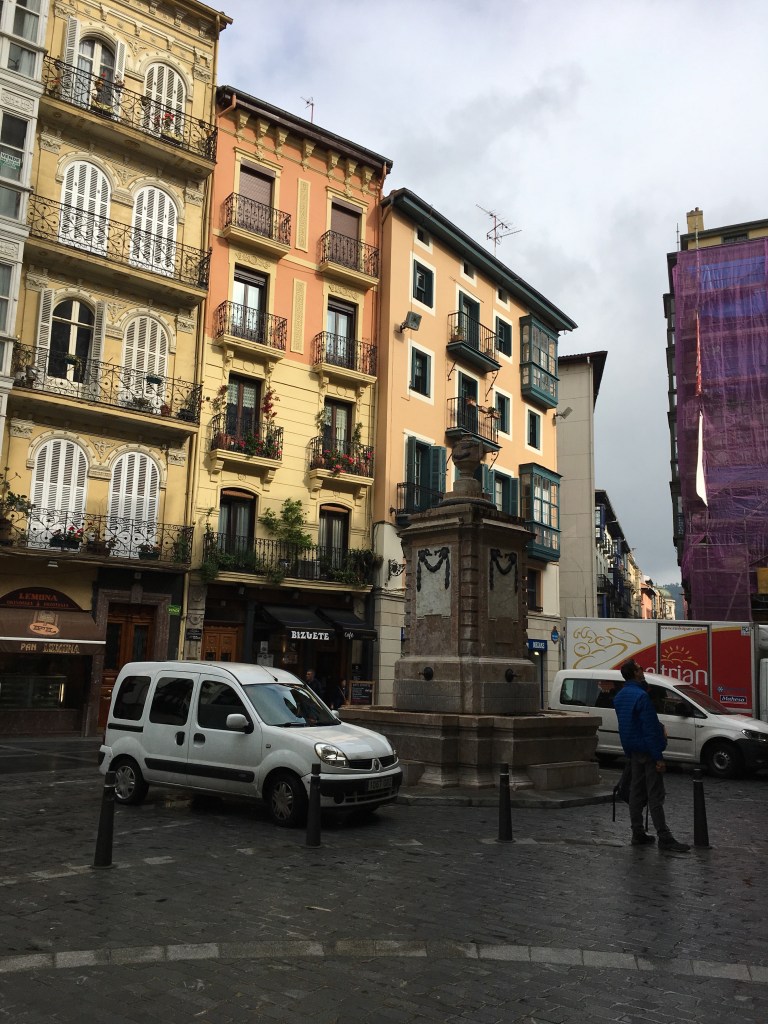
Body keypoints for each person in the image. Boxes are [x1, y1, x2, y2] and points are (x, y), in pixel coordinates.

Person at [612, 659, 690, 852]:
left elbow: (625, 726)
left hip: (633, 750)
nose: (643, 670)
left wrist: (628, 751)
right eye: (640, 668)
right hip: (647, 750)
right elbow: (649, 728)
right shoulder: (641, 696)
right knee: (655, 794)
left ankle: (637, 832)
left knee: (636, 792)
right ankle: (664, 836)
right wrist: (658, 757)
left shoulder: (620, 696)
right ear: (635, 673)